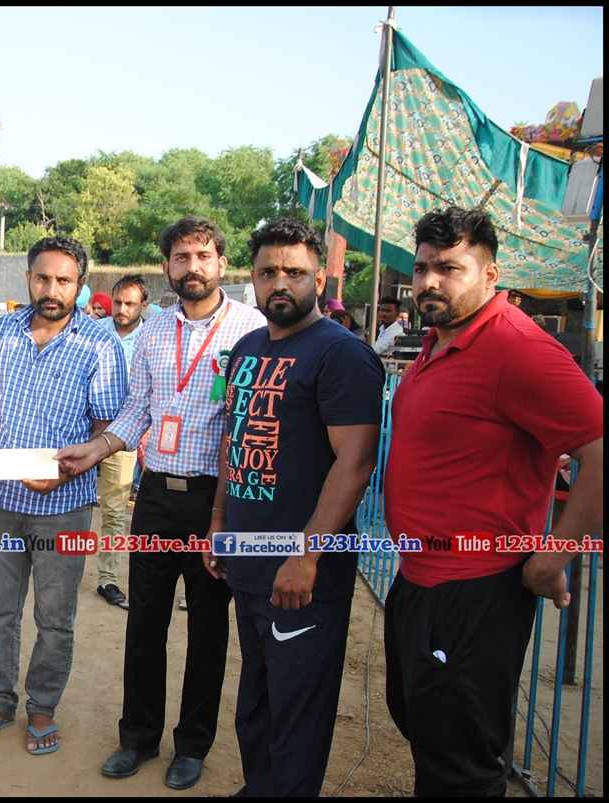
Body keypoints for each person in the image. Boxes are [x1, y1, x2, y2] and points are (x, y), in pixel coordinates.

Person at [383, 207, 603, 796]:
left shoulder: (517, 347)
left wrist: (554, 556)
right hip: (420, 579)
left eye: (449, 268)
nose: (429, 281)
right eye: (422, 268)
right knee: (428, 729)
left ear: (490, 274)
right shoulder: (440, 341)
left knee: (459, 763)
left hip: (475, 590)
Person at [55, 216, 267, 790]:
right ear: (167, 267)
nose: (191, 267)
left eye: (202, 256)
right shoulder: (153, 332)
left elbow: (249, 425)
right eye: (180, 257)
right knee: (145, 624)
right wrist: (96, 448)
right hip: (154, 498)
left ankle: (193, 745)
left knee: (207, 631)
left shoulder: (252, 330)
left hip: (214, 503)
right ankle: (138, 737)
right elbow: (137, 412)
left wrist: (227, 513)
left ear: (222, 263)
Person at [205, 218, 384, 797]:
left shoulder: (342, 355)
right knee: (257, 701)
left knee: (297, 712)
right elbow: (234, 440)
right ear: (252, 278)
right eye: (267, 272)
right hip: (248, 560)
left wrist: (306, 557)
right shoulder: (247, 349)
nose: (279, 283)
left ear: (319, 280)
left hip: (303, 573)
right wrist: (220, 523)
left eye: (295, 272)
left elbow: (355, 462)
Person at [0, 235, 128, 756]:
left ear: (80, 285)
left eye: (64, 280)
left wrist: (67, 473)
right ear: (27, 279)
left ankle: (43, 706)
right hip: (0, 502)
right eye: (43, 278)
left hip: (65, 508)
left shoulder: (100, 345)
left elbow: (105, 428)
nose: (52, 289)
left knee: (55, 617)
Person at [90, 274, 150, 610]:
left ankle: (107, 578)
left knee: (113, 510)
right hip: (82, 433)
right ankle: (58, 565)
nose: (122, 309)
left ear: (143, 305)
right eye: (117, 302)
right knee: (69, 505)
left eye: (130, 303)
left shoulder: (151, 338)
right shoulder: (92, 332)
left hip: (122, 436)